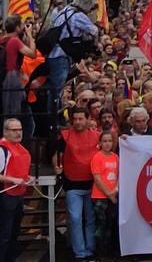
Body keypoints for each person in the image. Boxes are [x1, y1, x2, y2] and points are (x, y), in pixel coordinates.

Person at [46, 0, 99, 124]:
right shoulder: (78, 15)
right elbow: (93, 30)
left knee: (54, 88)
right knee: (56, 90)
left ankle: (53, 117)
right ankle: (53, 120)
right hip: (62, 55)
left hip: (53, 53)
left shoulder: (64, 10)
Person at [0, 118, 33, 262]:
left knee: (13, 233)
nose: (18, 133)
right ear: (6, 132)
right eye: (14, 130)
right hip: (6, 195)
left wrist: (26, 177)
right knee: (4, 234)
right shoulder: (1, 150)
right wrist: (12, 180)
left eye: (20, 129)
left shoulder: (19, 148)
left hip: (17, 194)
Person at [53, 107, 99, 260]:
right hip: (72, 184)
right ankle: (80, 253)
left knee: (90, 219)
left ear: (87, 119)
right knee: (75, 219)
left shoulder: (97, 136)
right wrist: (56, 166)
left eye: (81, 118)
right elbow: (56, 154)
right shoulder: (65, 136)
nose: (78, 122)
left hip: (93, 184)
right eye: (75, 119)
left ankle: (90, 249)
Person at [0, 15, 37, 133]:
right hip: (13, 79)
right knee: (16, 113)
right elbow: (32, 54)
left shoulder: (1, 40)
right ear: (17, 27)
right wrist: (30, 35)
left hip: (2, 78)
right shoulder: (14, 41)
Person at [90, 130, 119, 258]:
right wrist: (109, 194)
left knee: (110, 223)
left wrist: (115, 191)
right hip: (100, 197)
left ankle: (110, 251)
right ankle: (100, 253)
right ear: (100, 143)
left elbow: (119, 175)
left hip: (113, 195)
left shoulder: (115, 157)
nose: (107, 144)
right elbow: (97, 179)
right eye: (105, 141)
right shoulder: (97, 157)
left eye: (110, 141)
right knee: (101, 224)